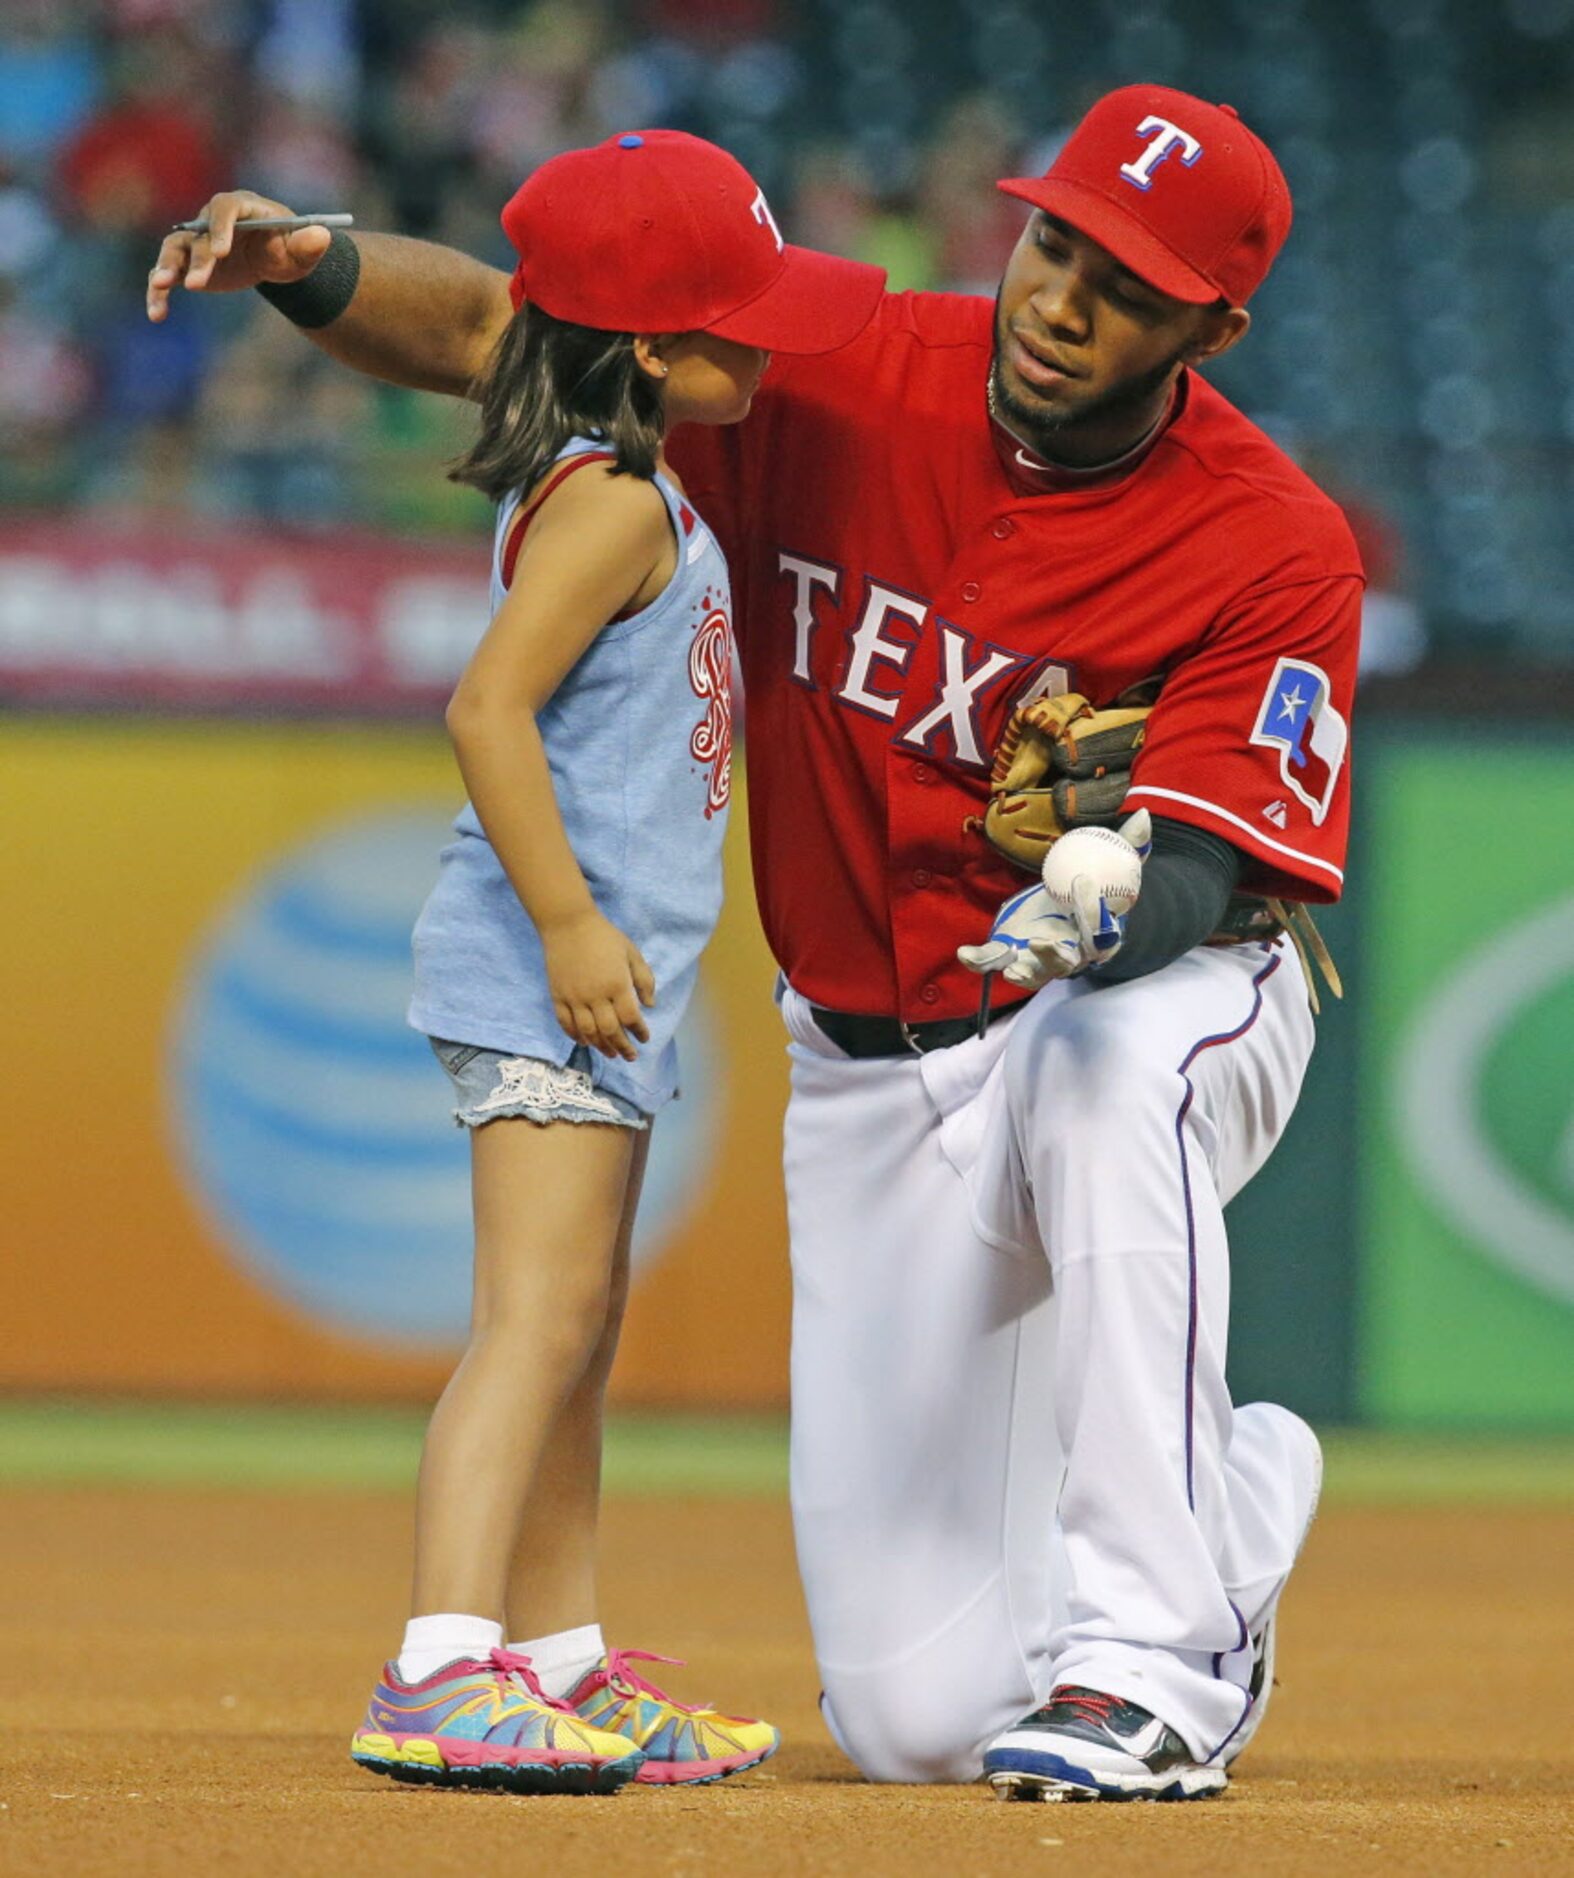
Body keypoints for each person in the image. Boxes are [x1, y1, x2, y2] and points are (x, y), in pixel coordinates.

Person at [150, 84, 1358, 1803]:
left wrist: (1115, 888)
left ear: (1212, 327)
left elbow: (1223, 866)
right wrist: (313, 262)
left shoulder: (1268, 539)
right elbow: (516, 323)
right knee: (916, 1722)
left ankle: (1159, 1654)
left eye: (1126, 287)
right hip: (867, 1054)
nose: (1059, 300)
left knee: (1110, 1077)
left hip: (1150, 994)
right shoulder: (846, 375)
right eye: (1052, 243)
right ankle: (1224, 1492)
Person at [218, 130, 882, 1797]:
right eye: (745, 314)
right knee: (532, 1319)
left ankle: (562, 1661)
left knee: (579, 1323)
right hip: (547, 969)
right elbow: (483, 705)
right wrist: (576, 925)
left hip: (593, 977)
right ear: (652, 345)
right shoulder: (612, 500)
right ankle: (440, 1663)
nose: (773, 338)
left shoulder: (617, 481)